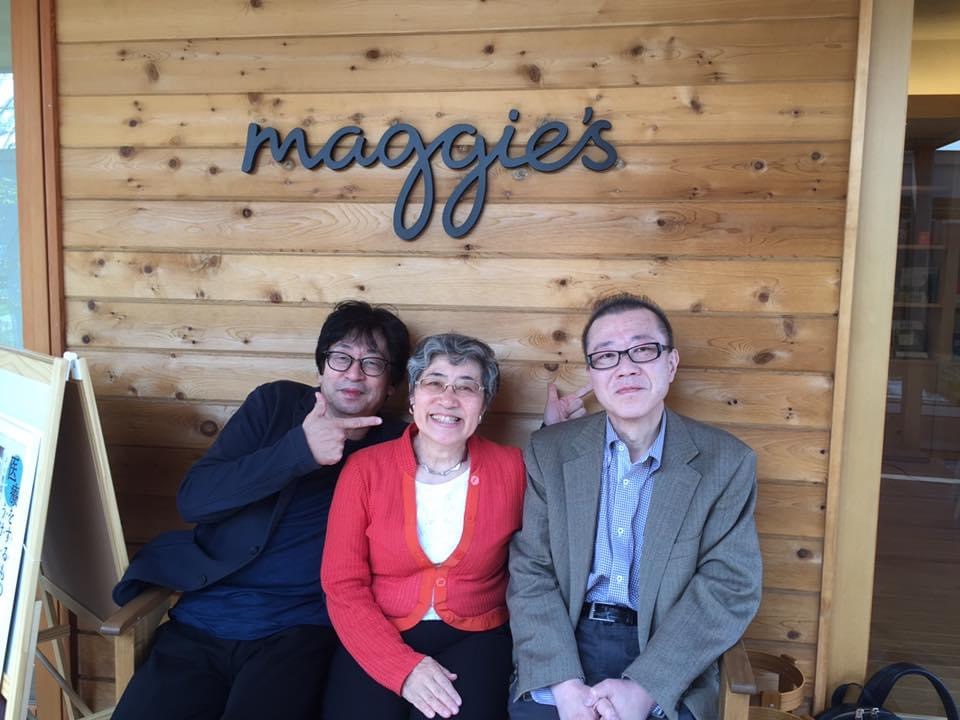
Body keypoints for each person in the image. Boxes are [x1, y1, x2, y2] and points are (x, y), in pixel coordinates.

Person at [110, 300, 411, 720]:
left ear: (391, 385)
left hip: (300, 631)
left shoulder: (398, 448)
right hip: (204, 619)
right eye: (341, 357)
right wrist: (299, 451)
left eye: (373, 363)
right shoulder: (275, 405)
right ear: (322, 368)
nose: (353, 373)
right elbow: (195, 501)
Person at [508, 293, 763, 720]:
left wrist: (646, 687)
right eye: (606, 355)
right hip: (566, 640)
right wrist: (564, 685)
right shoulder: (549, 452)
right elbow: (531, 569)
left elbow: (729, 585)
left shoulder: (726, 462)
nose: (625, 367)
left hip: (667, 645)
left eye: (643, 350)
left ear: (671, 364)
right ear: (592, 372)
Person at [321, 333, 526, 720]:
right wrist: (401, 667)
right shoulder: (365, 470)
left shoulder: (513, 469)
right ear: (413, 396)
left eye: (467, 387)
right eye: (435, 382)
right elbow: (342, 583)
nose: (448, 399)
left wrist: (553, 434)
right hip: (377, 631)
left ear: (483, 406)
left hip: (477, 636)